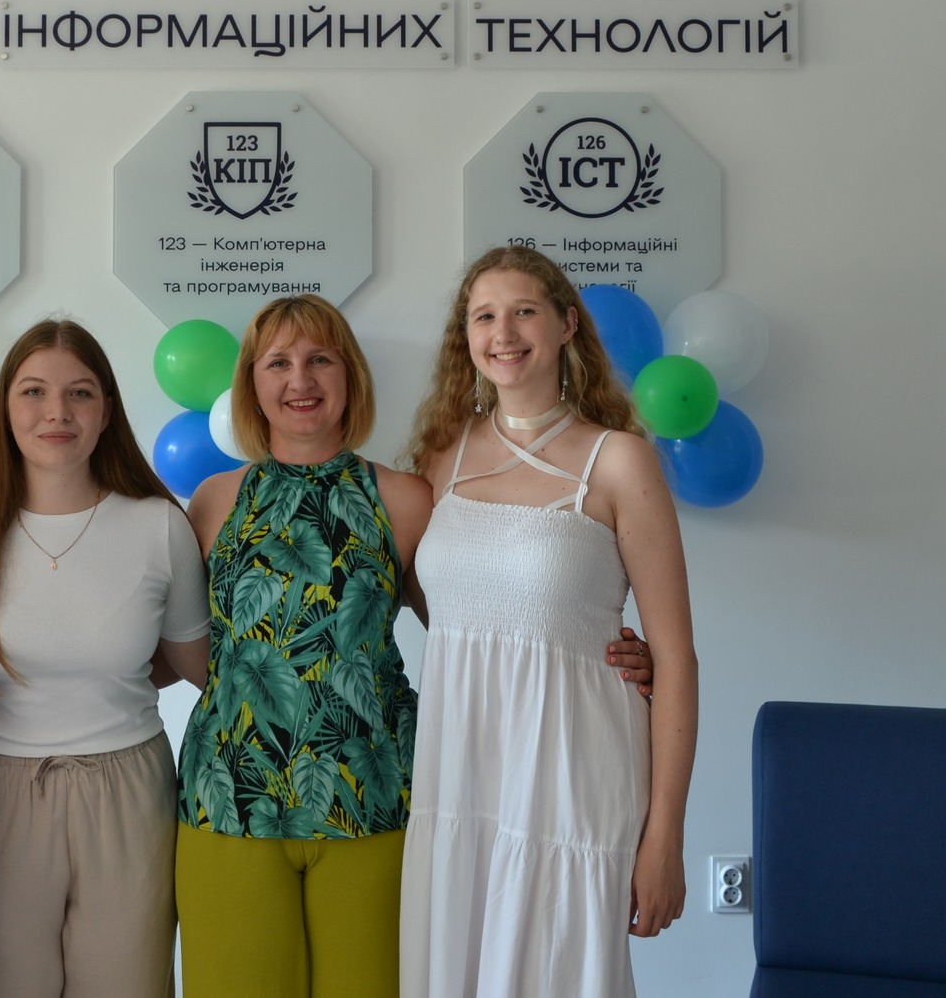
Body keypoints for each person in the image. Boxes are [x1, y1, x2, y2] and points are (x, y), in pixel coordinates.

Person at [173, 294, 656, 998]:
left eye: (320, 359)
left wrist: (597, 646)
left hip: (377, 801)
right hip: (228, 800)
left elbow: (473, 625)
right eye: (278, 362)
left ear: (351, 375)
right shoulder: (213, 502)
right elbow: (185, 650)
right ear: (251, 382)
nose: (300, 379)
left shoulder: (405, 498)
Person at [399, 247, 700, 998]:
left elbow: (676, 658)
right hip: (458, 772)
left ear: (567, 324)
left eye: (524, 311)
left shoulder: (619, 461)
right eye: (484, 316)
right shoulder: (440, 457)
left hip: (572, 772)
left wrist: (665, 836)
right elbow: (437, 605)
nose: (503, 332)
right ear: (466, 336)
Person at [0, 320, 209, 998]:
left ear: (106, 410)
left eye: (80, 392)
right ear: (5, 407)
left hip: (129, 792)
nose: (57, 412)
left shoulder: (158, 526)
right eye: (34, 392)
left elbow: (193, 664)